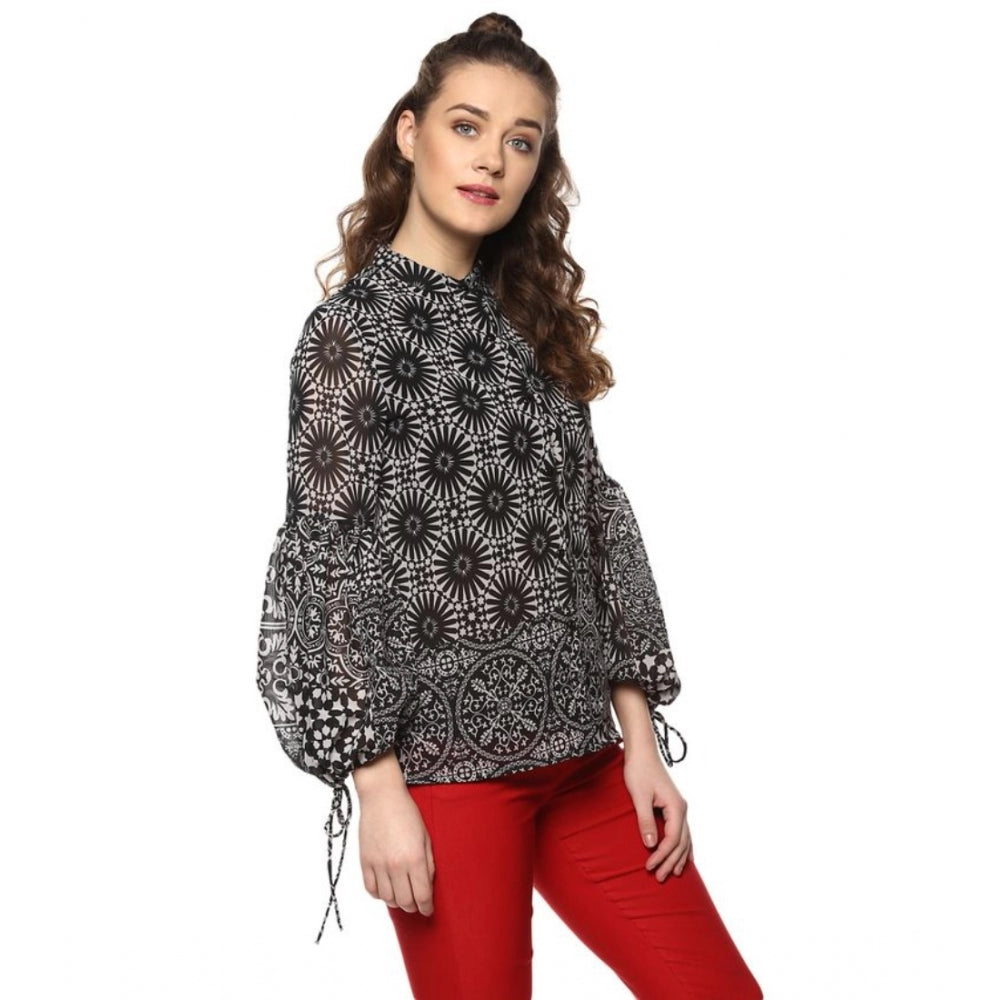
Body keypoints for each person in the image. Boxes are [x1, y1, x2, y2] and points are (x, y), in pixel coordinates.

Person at [256, 12, 763, 999]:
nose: (492, 158)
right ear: (411, 134)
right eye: (467, 126)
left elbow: (594, 529)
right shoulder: (347, 337)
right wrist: (377, 786)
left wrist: (641, 743)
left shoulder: (530, 320)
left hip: (587, 762)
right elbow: (326, 565)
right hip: (448, 779)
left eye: (521, 141)